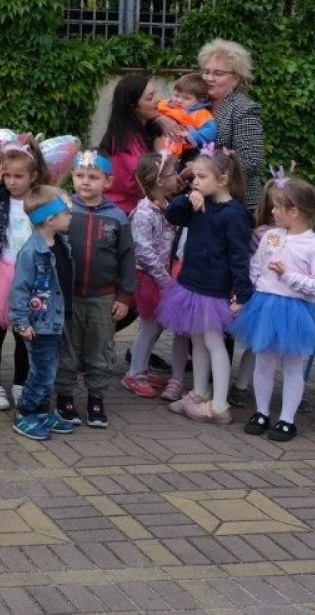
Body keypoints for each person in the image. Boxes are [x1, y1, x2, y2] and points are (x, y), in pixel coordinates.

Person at [233, 175, 315, 443]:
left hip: (296, 313)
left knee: (293, 366)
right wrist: (245, 294)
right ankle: (261, 412)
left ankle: (287, 419)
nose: (273, 211)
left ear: (295, 211)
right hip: (265, 306)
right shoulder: (271, 236)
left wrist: (289, 276)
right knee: (263, 361)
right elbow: (256, 266)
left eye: (278, 207)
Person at [158, 148, 253, 425]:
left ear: (222, 180)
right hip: (192, 282)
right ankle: (199, 393)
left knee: (213, 342)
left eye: (201, 177)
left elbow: (239, 256)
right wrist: (188, 197)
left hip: (213, 288)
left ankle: (220, 403)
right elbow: (172, 215)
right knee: (197, 340)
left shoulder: (233, 214)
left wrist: (241, 292)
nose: (195, 181)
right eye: (193, 176)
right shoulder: (199, 203)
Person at [55, 150, 134, 428]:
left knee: (100, 348)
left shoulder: (117, 217)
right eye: (79, 176)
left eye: (93, 177)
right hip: (68, 297)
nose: (85, 182)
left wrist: (124, 296)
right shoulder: (63, 211)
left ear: (108, 182)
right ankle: (64, 396)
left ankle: (96, 398)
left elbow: (127, 258)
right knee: (67, 347)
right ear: (72, 178)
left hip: (103, 298)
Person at [0, 140, 49, 411]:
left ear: (33, 176)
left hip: (31, 277)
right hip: (3, 274)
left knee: (24, 333)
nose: (12, 182)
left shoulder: (39, 200)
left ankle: (19, 383)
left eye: (18, 176)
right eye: (7, 175)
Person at [9, 186, 75, 441]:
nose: (70, 216)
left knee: (51, 368)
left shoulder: (61, 243)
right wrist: (21, 322)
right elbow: (19, 290)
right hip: (40, 323)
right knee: (42, 372)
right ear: (50, 219)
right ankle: (25, 412)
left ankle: (41, 411)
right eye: (65, 212)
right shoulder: (31, 252)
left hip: (57, 320)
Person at [122, 152, 184, 400]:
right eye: (172, 173)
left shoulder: (165, 206)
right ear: (159, 181)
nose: (177, 176)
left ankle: (142, 368)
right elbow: (143, 250)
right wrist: (163, 278)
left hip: (160, 274)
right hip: (149, 275)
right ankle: (134, 374)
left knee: (155, 326)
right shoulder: (145, 212)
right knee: (149, 327)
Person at [197, 41, 265, 208]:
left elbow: (250, 162)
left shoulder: (243, 109)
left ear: (235, 78)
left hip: (236, 203)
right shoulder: (199, 104)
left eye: (218, 74)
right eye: (206, 72)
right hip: (203, 201)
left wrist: (210, 174)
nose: (209, 78)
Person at [97, 74, 167, 216]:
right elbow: (146, 180)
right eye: (149, 98)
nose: (157, 101)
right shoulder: (127, 142)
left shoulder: (143, 131)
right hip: (123, 214)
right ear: (133, 106)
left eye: (154, 95)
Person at [156, 74, 216, 159]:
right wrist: (157, 117)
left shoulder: (200, 114)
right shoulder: (165, 105)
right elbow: (150, 113)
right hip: (155, 144)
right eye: (176, 95)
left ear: (200, 101)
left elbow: (210, 130)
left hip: (176, 153)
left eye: (186, 98)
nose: (179, 100)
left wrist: (190, 135)